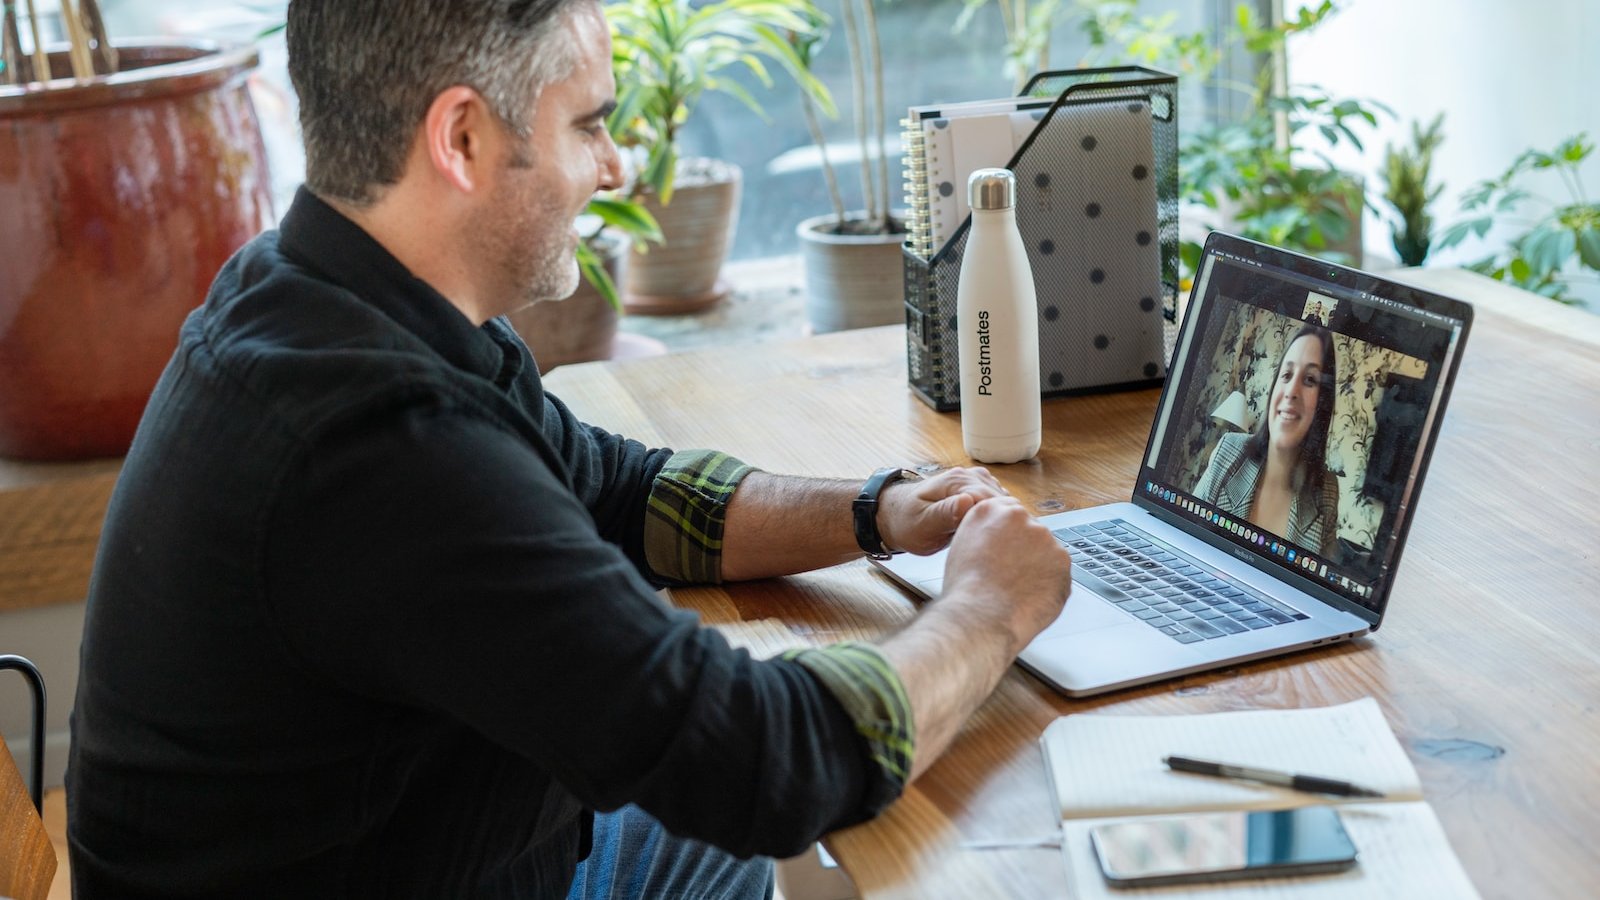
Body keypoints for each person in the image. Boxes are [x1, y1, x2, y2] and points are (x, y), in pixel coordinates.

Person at [64, 1, 1074, 897]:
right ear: (461, 136)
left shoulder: (325, 293)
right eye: (588, 123)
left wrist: (876, 510)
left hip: (429, 850)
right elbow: (769, 764)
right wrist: (992, 606)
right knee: (917, 848)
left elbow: (621, 493)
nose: (615, 165)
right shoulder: (381, 447)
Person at [1192, 323, 1341, 557]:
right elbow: (1184, 534)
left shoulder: (1327, 492)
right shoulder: (1228, 451)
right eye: (1287, 374)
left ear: (1322, 402)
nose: (1292, 391)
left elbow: (1317, 586)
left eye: (1310, 379)